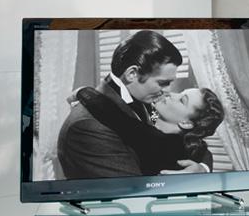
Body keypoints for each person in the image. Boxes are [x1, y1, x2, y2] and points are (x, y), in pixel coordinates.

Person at [58, 30, 195, 178]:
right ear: (132, 74)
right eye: (162, 83)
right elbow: (132, 187)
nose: (168, 91)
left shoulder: (147, 104)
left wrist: (202, 169)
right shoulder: (88, 126)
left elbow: (133, 126)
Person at [72, 85, 224, 176]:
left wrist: (83, 92)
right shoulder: (157, 121)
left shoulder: (163, 144)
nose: (171, 94)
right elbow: (204, 149)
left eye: (182, 100)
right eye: (180, 92)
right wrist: (204, 169)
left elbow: (116, 117)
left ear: (186, 123)